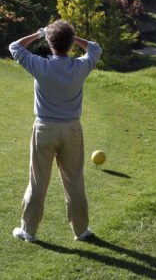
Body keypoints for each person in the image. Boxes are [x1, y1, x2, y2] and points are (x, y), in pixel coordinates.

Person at [9, 20, 102, 243]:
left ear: (50, 43)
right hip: (72, 129)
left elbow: (15, 47)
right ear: (70, 44)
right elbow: (95, 48)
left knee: (38, 181)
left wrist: (40, 33)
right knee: (75, 181)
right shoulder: (80, 66)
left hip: (44, 129)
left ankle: (29, 231)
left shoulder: (41, 66)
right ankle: (81, 231)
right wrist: (73, 38)